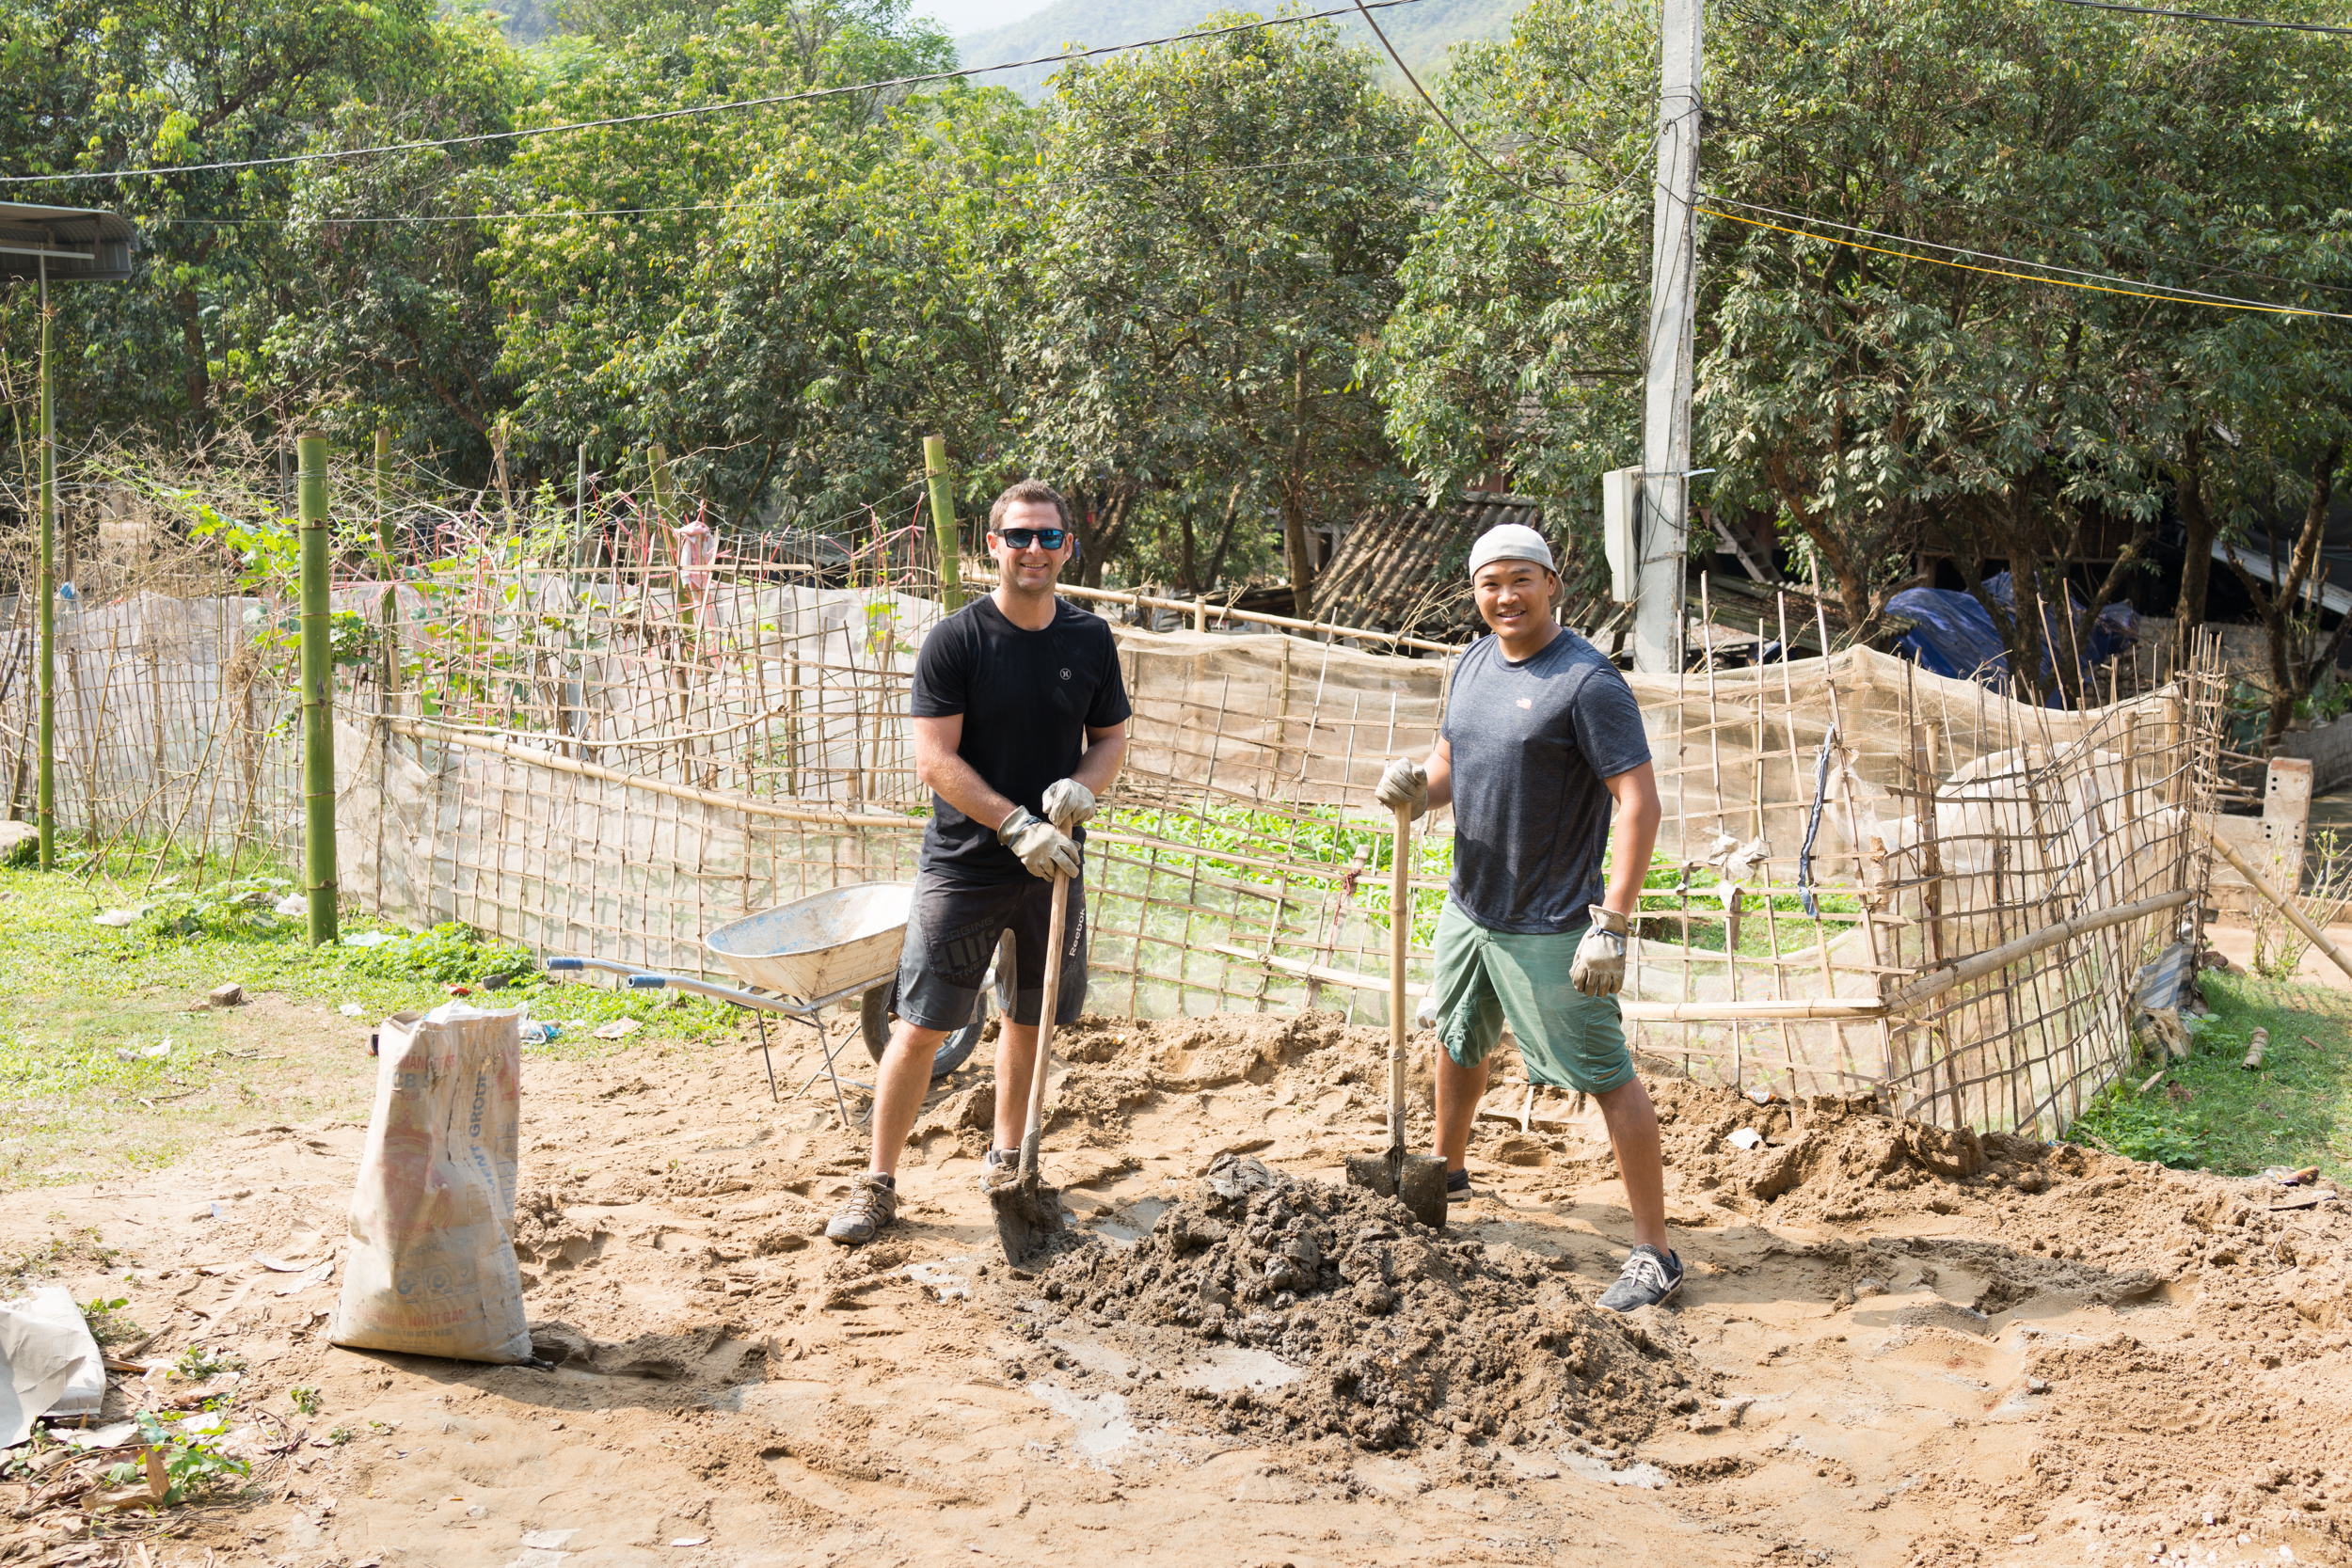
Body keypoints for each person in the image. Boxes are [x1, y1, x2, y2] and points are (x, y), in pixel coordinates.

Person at [1374, 523, 1679, 1312]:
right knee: (1457, 1034)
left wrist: (1612, 919)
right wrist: (1418, 786)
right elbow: (1450, 760)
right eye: (1488, 584)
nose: (1503, 597)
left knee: (1605, 1073)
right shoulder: (1473, 660)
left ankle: (1655, 1252)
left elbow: (1638, 801)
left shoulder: (1587, 682)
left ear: (1552, 584)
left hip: (1549, 920)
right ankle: (1444, 1172)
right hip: (1472, 903)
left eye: (1519, 580)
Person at [825, 481, 1131, 1246]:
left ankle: (1009, 1166)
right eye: (1019, 536)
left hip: (1052, 870)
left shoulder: (1089, 639)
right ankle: (878, 1183)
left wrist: (1082, 790)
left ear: (1069, 548)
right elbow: (935, 759)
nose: (1034, 550)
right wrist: (1014, 823)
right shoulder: (957, 641)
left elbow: (1110, 739)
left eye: (1049, 538)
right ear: (991, 546)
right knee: (923, 1025)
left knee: (1028, 1020)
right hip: (964, 868)